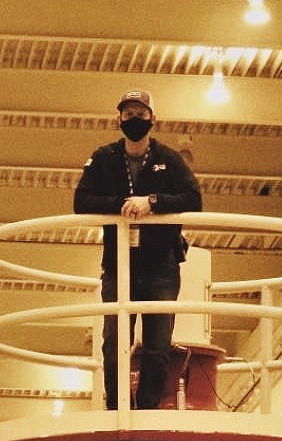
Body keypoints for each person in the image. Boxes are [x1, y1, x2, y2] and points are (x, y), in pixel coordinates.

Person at [73, 86, 202, 410]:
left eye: (140, 115)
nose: (134, 120)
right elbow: (81, 201)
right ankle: (117, 407)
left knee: (158, 344)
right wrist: (121, 205)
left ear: (152, 119)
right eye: (129, 115)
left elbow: (193, 199)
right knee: (115, 340)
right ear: (119, 118)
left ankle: (146, 410)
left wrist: (152, 202)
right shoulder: (104, 158)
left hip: (161, 266)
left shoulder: (168, 159)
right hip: (119, 264)